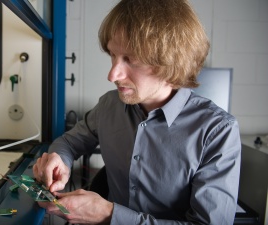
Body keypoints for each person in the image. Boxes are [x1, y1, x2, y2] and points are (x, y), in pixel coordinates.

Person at [33, 0, 241, 224]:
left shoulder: (217, 132)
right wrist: (59, 160)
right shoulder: (108, 106)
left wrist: (109, 215)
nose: (112, 75)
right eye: (112, 55)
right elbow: (69, 143)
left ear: (170, 63)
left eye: (130, 60)